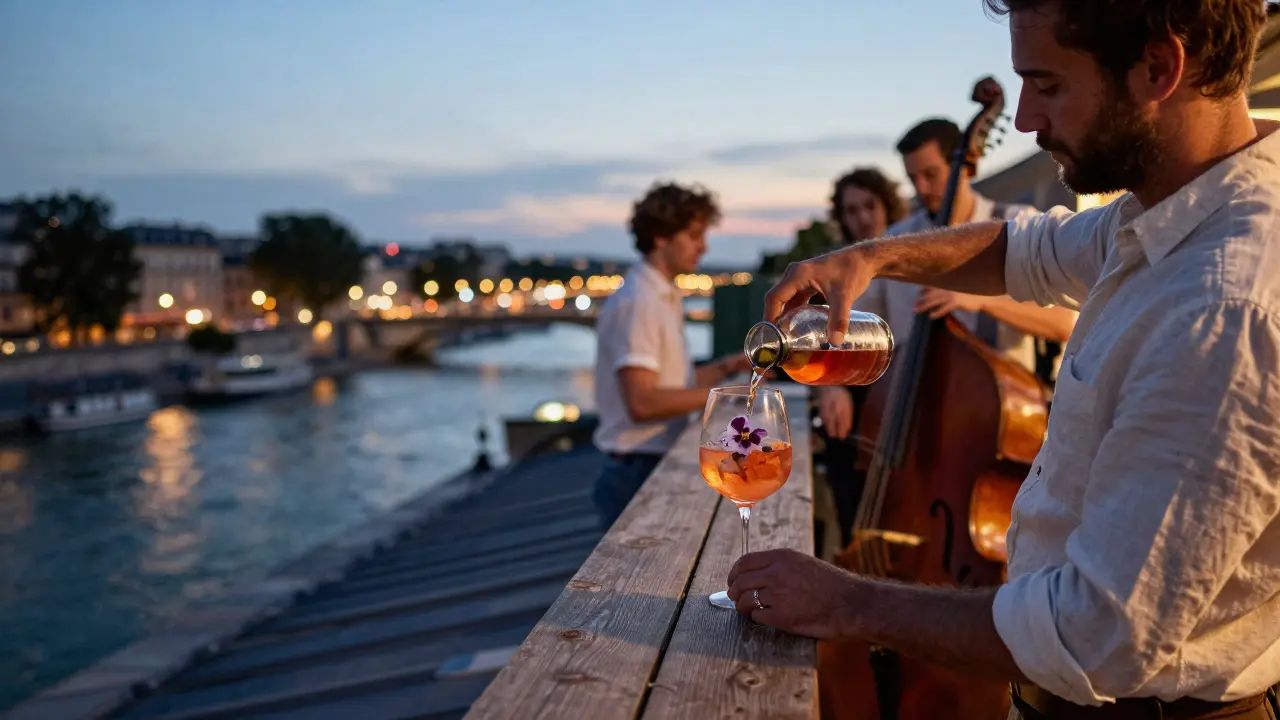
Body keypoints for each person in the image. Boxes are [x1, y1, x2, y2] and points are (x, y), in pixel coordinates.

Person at [729, 1, 1280, 718]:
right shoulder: (1164, 212)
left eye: (1047, 84)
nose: (1023, 118)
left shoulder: (1224, 308)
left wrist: (847, 602)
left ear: (1158, 69)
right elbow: (1024, 250)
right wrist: (869, 258)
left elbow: (1094, 635)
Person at [592, 180, 751, 530]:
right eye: (694, 235)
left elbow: (675, 386)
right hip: (636, 471)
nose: (703, 246)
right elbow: (643, 403)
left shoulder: (659, 295)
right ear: (661, 236)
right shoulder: (641, 302)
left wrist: (728, 367)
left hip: (643, 465)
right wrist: (728, 399)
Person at [812, 167, 909, 552]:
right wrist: (830, 383)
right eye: (851, 211)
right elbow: (823, 335)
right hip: (855, 394)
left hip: (903, 389)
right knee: (849, 492)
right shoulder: (836, 267)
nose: (862, 218)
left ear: (887, 204)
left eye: (870, 205)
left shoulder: (906, 254)